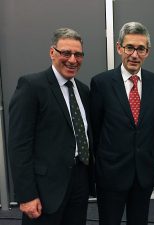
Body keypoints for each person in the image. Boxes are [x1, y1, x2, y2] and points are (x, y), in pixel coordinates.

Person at [8, 27, 94, 225]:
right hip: (45, 189)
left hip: (79, 181)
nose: (73, 59)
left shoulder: (83, 90)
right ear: (52, 52)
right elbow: (19, 145)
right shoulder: (31, 86)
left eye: (78, 54)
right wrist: (26, 195)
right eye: (66, 53)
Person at [90, 22, 154, 225]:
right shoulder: (101, 83)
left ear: (147, 52)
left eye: (141, 49)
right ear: (119, 47)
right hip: (111, 173)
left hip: (143, 174)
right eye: (129, 47)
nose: (134, 54)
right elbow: (96, 129)